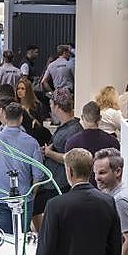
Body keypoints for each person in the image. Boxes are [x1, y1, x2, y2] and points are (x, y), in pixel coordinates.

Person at [0, 103, 45, 234]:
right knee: (22, 238)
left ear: (5, 116)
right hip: (24, 197)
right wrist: (32, 194)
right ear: (21, 118)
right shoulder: (32, 142)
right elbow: (38, 174)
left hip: (0, 197)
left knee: (2, 238)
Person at [38, 88, 83, 231]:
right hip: (54, 182)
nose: (50, 107)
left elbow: (71, 158)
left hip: (60, 184)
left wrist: (49, 153)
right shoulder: (67, 127)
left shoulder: (73, 130)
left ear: (57, 106)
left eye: (51, 104)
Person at [65, 101, 120, 186]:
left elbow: (69, 172)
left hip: (81, 189)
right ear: (100, 118)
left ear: (82, 117)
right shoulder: (113, 142)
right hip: (105, 189)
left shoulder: (71, 143)